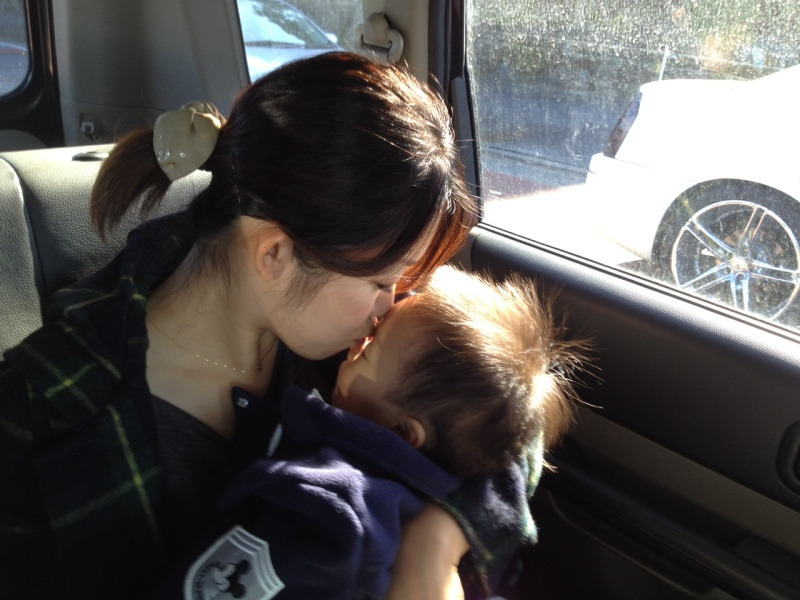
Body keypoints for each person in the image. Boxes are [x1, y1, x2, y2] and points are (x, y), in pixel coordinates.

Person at [0, 51, 523, 599]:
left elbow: (501, 414)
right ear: (275, 253)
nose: (390, 306)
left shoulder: (344, 339)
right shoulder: (41, 420)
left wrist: (436, 544)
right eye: (380, 282)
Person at [151, 265, 587, 599]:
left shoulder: (325, 506)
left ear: (404, 431)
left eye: (369, 352)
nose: (357, 342)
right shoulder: (456, 465)